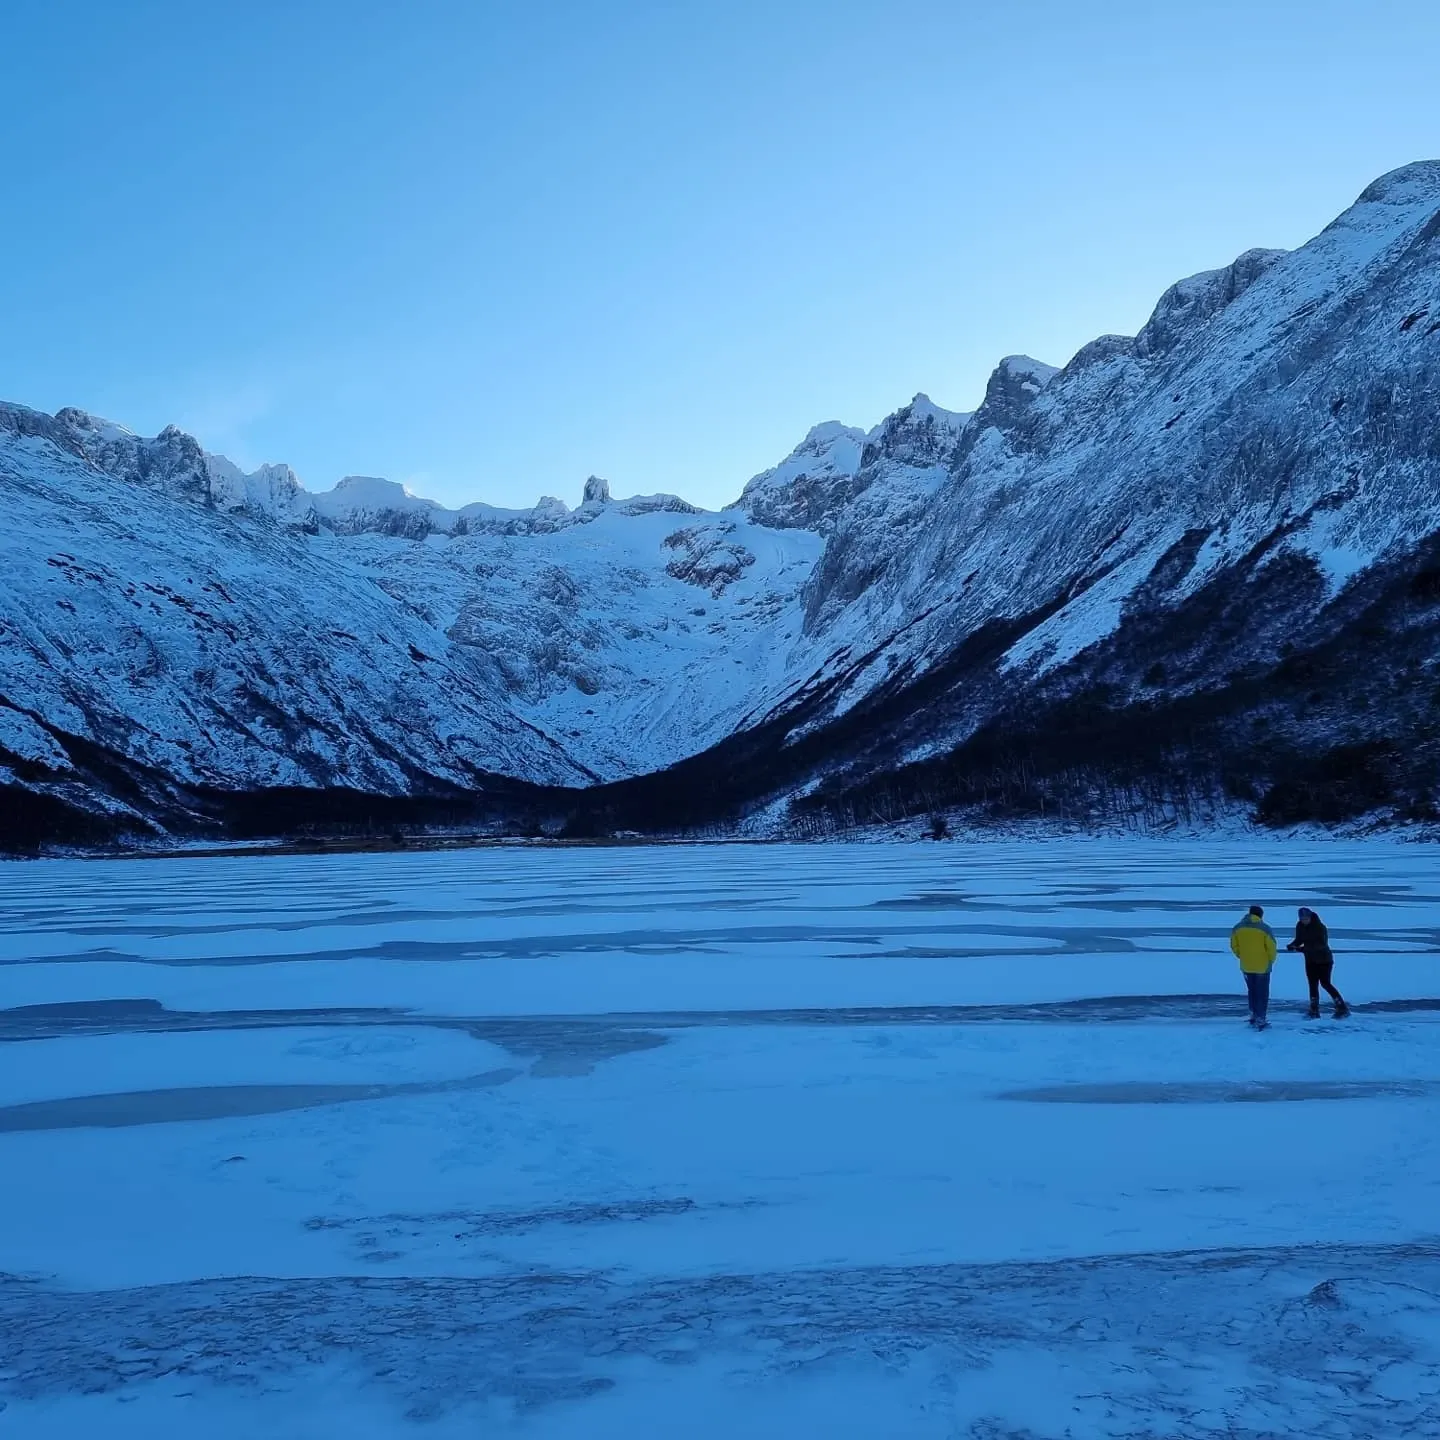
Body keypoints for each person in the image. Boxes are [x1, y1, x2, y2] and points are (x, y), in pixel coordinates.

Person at [1286, 907, 1350, 1019]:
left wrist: (1302, 949)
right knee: (1312, 983)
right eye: (1302, 919)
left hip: (1324, 959)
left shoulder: (1320, 927)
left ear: (1310, 917)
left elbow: (1321, 945)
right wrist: (1293, 945)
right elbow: (1299, 939)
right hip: (1310, 959)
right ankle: (1314, 1009)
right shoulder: (1300, 926)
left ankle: (1341, 1007)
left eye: (1306, 918)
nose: (1304, 920)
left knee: (1325, 983)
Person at [1230, 904, 1278, 1029]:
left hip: (1246, 966)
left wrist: (1241, 955)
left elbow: (1234, 945)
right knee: (1262, 993)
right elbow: (1272, 948)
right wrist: (1270, 961)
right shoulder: (1264, 928)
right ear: (1260, 915)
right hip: (1262, 966)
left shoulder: (1237, 928)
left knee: (1252, 991)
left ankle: (1253, 1014)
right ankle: (1261, 1018)